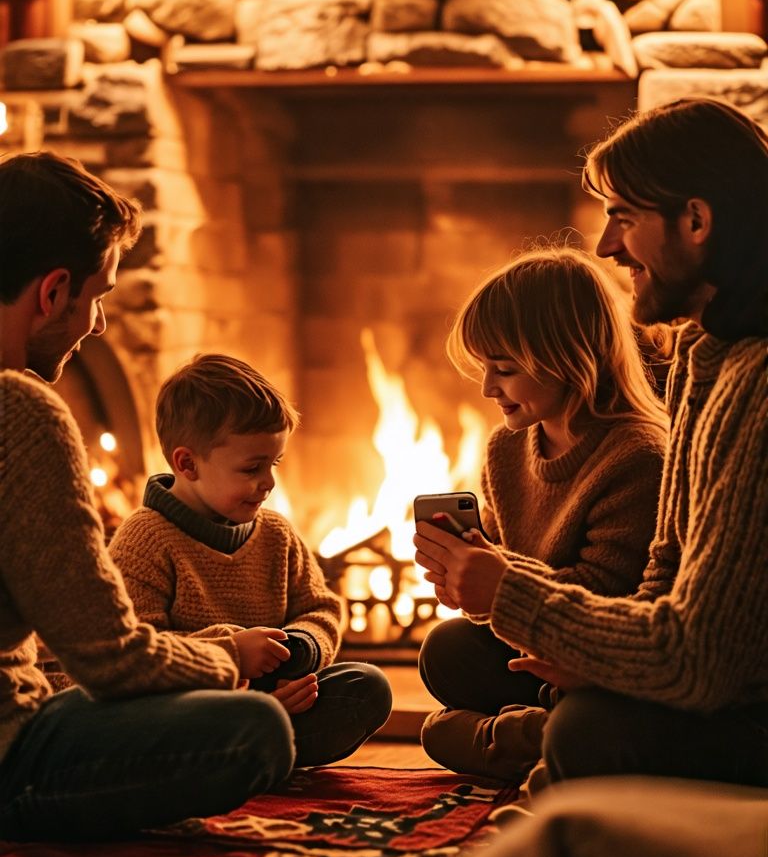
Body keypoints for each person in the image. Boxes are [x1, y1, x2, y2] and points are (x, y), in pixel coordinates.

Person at [415, 98, 768, 788]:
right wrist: (581, 652)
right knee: (456, 655)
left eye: (624, 217)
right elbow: (661, 581)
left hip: (743, 699)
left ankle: (549, 750)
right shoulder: (706, 355)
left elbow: (696, 662)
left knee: (589, 731)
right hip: (705, 672)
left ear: (696, 222)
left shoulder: (755, 381)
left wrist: (514, 597)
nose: (606, 246)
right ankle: (547, 748)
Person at [0, 150, 298, 843]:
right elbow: (111, 660)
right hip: (11, 756)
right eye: (98, 296)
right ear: (53, 292)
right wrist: (229, 659)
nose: (99, 324)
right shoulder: (21, 413)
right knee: (256, 732)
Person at [418, 245, 666, 784]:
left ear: (567, 357)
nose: (487, 388)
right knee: (445, 650)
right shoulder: (506, 450)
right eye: (484, 369)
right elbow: (503, 577)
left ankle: (526, 739)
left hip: (598, 655)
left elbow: (610, 601)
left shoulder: (639, 457)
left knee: (445, 730)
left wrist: (496, 580)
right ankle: (537, 732)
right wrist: (468, 583)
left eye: (504, 369)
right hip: (530, 645)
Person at [109, 354, 392, 768]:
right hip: (194, 709)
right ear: (186, 464)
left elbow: (320, 607)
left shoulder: (276, 534)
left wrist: (303, 648)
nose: (269, 483)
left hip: (278, 703)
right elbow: (137, 655)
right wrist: (231, 655)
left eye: (274, 463)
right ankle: (249, 746)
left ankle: (258, 749)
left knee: (367, 686)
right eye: (252, 468)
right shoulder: (143, 541)